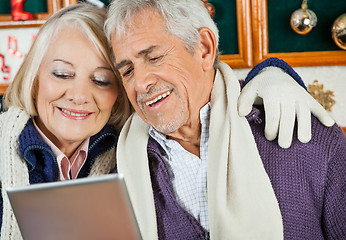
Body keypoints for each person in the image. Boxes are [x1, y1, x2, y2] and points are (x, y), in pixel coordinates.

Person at [105, 0, 346, 239]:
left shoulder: (310, 139)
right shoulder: (117, 177)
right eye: (127, 71)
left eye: (154, 57)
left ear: (204, 48)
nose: (140, 83)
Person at [0, 3, 133, 238]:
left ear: (119, 94)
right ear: (34, 79)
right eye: (62, 74)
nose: (79, 96)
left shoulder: (135, 157)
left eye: (101, 80)